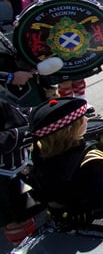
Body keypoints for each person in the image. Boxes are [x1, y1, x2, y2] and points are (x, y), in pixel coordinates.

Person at [27, 97, 103, 228]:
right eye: (82, 119)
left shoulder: (38, 151)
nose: (87, 119)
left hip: (58, 219)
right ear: (71, 129)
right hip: (91, 222)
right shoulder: (91, 157)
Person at [0, 63, 38, 244]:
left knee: (26, 211)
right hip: (3, 173)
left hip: (15, 166)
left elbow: (10, 109)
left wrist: (37, 114)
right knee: (15, 219)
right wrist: (30, 131)